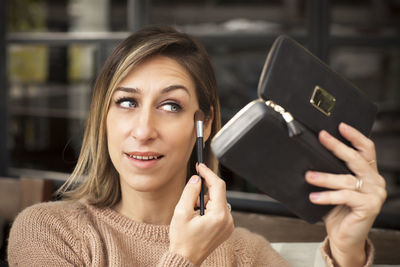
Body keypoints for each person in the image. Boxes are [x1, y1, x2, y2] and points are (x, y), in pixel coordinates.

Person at [7, 26, 386, 267]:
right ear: (103, 117)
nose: (143, 130)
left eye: (170, 106)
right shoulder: (49, 231)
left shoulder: (244, 253)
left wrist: (346, 252)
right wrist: (185, 257)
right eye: (126, 102)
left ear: (201, 125)